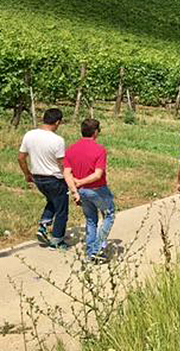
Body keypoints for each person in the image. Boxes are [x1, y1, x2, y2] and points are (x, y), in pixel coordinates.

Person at [63, 119, 115, 263]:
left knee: (91, 220)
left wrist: (75, 191)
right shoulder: (100, 149)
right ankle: (97, 249)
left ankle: (91, 251)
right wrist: (81, 181)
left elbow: (67, 173)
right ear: (96, 132)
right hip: (97, 190)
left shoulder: (71, 149)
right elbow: (98, 174)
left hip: (82, 192)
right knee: (109, 215)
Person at [18, 108, 69, 250]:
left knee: (52, 201)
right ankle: (57, 240)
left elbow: (21, 157)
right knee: (62, 210)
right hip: (54, 179)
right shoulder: (58, 140)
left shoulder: (29, 135)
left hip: (38, 178)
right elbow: (61, 163)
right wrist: (69, 179)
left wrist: (27, 174)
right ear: (57, 122)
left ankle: (43, 226)